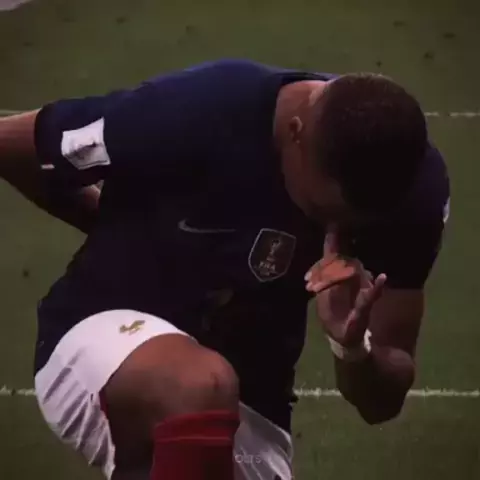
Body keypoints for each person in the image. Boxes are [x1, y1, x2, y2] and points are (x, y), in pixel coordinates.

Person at [0, 59, 450, 480]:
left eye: (354, 227)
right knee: (202, 384)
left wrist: (352, 348)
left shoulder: (415, 194)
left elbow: (381, 404)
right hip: (100, 329)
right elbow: (14, 145)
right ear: (295, 133)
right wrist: (115, 232)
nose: (334, 233)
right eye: (320, 211)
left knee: (209, 399)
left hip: (249, 403)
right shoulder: (194, 112)